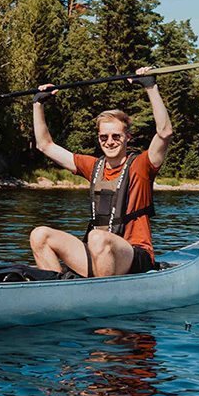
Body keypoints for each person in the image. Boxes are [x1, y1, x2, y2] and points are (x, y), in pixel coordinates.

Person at [29, 68, 172, 277]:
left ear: (127, 137)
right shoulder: (93, 166)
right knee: (39, 235)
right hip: (98, 251)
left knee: (97, 237)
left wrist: (150, 87)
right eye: (104, 137)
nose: (110, 142)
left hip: (135, 255)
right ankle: (55, 289)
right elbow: (45, 145)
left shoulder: (142, 165)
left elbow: (165, 132)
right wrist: (38, 104)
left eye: (116, 136)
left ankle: (100, 292)